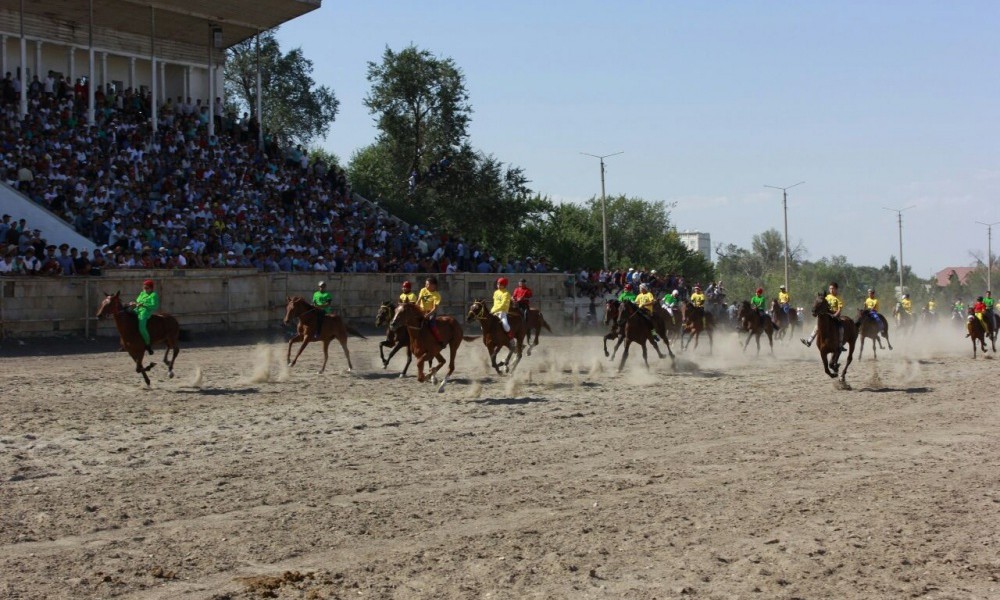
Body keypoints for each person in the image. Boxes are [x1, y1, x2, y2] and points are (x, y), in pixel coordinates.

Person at [802, 281, 845, 350]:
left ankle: (840, 345)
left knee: (841, 328)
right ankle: (809, 341)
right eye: (830, 288)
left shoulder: (839, 298)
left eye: (832, 288)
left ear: (836, 289)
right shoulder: (827, 297)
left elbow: (839, 309)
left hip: (835, 315)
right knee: (817, 327)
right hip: (827, 314)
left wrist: (835, 315)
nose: (831, 290)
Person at [130, 279, 160, 355]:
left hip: (145, 312)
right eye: (144, 288)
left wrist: (143, 305)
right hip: (137, 309)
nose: (145, 290)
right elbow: (138, 301)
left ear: (151, 288)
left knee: (142, 328)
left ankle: (147, 343)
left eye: (147, 288)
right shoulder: (142, 293)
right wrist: (134, 303)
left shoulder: (154, 295)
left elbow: (154, 306)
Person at [491, 277, 516, 347]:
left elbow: (503, 305)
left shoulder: (506, 293)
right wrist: (491, 311)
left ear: (504, 285)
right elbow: (495, 304)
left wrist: (494, 311)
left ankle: (511, 339)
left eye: (500, 284)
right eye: (498, 284)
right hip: (494, 312)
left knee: (506, 326)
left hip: (502, 312)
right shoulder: (496, 292)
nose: (498, 285)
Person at [417, 276, 443, 342]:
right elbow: (418, 301)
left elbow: (435, 309)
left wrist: (428, 315)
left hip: (430, 313)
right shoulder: (423, 290)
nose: (425, 285)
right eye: (425, 284)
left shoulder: (437, 295)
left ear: (433, 285)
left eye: (427, 284)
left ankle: (439, 340)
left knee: (432, 324)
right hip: (421, 311)